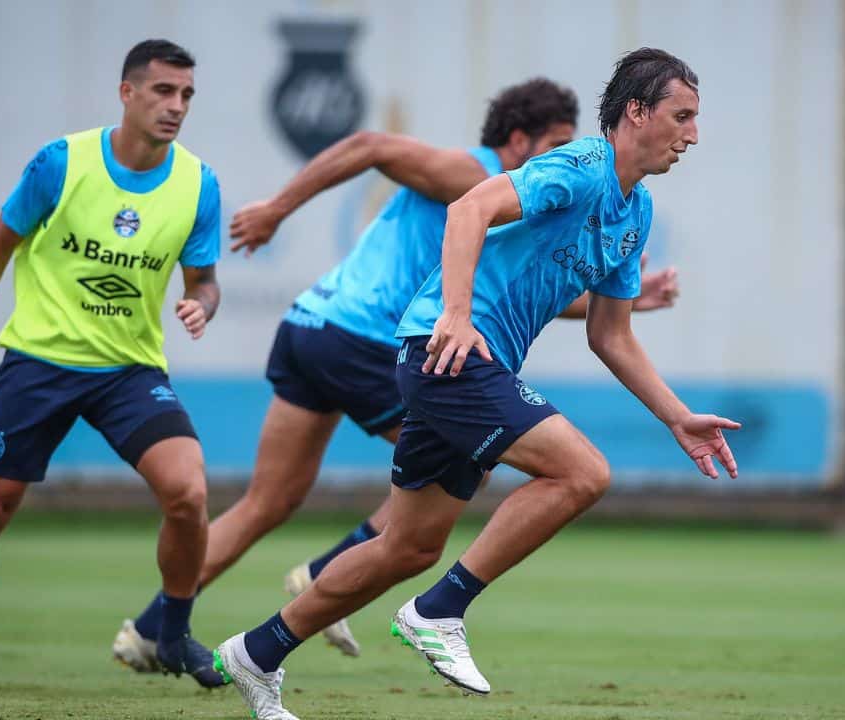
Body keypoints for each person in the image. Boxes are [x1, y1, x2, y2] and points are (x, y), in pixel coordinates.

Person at [211, 48, 738, 719]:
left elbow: (611, 335)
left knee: (407, 546)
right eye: (681, 116)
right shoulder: (580, 165)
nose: (692, 134)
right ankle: (442, 609)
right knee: (582, 473)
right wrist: (455, 316)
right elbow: (468, 210)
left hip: (461, 363)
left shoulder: (633, 217)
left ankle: (255, 654)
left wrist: (676, 417)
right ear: (635, 111)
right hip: (450, 354)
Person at [111, 77, 680, 673]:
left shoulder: (564, 202)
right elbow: (371, 146)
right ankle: (330, 578)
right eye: (556, 142)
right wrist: (278, 209)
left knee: (268, 502)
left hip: (312, 328)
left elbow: (534, 283)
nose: (565, 154)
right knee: (477, 458)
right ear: (519, 141)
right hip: (368, 339)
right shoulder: (477, 175)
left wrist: (623, 300)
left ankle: (155, 629)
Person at [0, 39, 226, 691]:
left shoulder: (199, 183)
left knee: (189, 493)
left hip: (129, 371)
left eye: (187, 95)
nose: (176, 107)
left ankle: (171, 634)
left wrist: (200, 303)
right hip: (40, 362)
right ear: (127, 92)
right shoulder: (63, 162)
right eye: (164, 91)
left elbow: (205, 280)